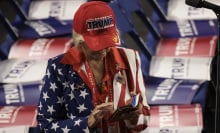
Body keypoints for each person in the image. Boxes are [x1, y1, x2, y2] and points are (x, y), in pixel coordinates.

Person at [37, 1, 150, 133]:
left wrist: (134, 118)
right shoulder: (59, 68)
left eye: (107, 41)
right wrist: (87, 122)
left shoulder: (130, 58)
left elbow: (145, 116)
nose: (103, 49)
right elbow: (45, 126)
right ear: (79, 40)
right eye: (97, 44)